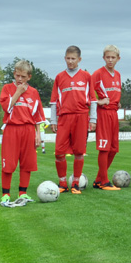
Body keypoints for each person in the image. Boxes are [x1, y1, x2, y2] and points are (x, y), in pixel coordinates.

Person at [50, 45, 96, 194]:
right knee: (59, 152)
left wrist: (93, 119)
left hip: (81, 116)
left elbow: (93, 100)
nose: (70, 61)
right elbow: (53, 101)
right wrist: (53, 120)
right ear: (64, 58)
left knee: (79, 151)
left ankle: (75, 183)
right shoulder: (59, 77)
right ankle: (62, 183)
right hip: (64, 117)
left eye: (73, 59)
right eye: (68, 58)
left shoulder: (86, 76)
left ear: (79, 59)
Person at [0, 60, 44, 207]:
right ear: (14, 74)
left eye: (23, 76)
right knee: (9, 163)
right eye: (17, 75)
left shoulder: (34, 93)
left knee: (27, 163)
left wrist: (38, 134)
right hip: (12, 129)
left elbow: (37, 116)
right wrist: (18, 92)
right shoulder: (7, 88)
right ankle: (5, 195)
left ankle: (23, 192)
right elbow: (7, 107)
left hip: (28, 130)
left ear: (29, 77)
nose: (19, 79)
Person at [91, 45, 122, 190]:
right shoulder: (97, 74)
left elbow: (114, 93)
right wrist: (98, 102)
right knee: (104, 148)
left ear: (118, 59)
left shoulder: (118, 75)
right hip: (103, 113)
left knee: (113, 149)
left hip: (114, 114)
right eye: (107, 57)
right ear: (103, 58)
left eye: (113, 57)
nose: (110, 60)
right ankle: (104, 181)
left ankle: (98, 179)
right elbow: (87, 95)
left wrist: (117, 102)